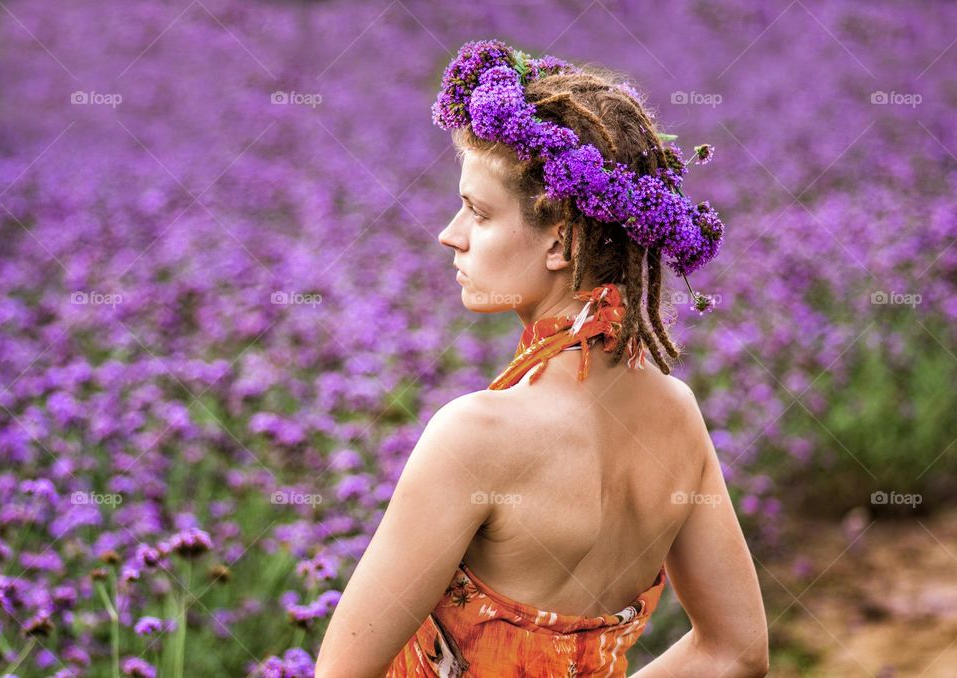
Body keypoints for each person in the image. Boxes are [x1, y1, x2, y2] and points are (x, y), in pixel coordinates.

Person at [314, 40, 769, 677]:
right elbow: (736, 653)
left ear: (561, 240)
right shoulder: (677, 413)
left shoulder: (475, 437)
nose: (451, 233)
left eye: (477, 210)